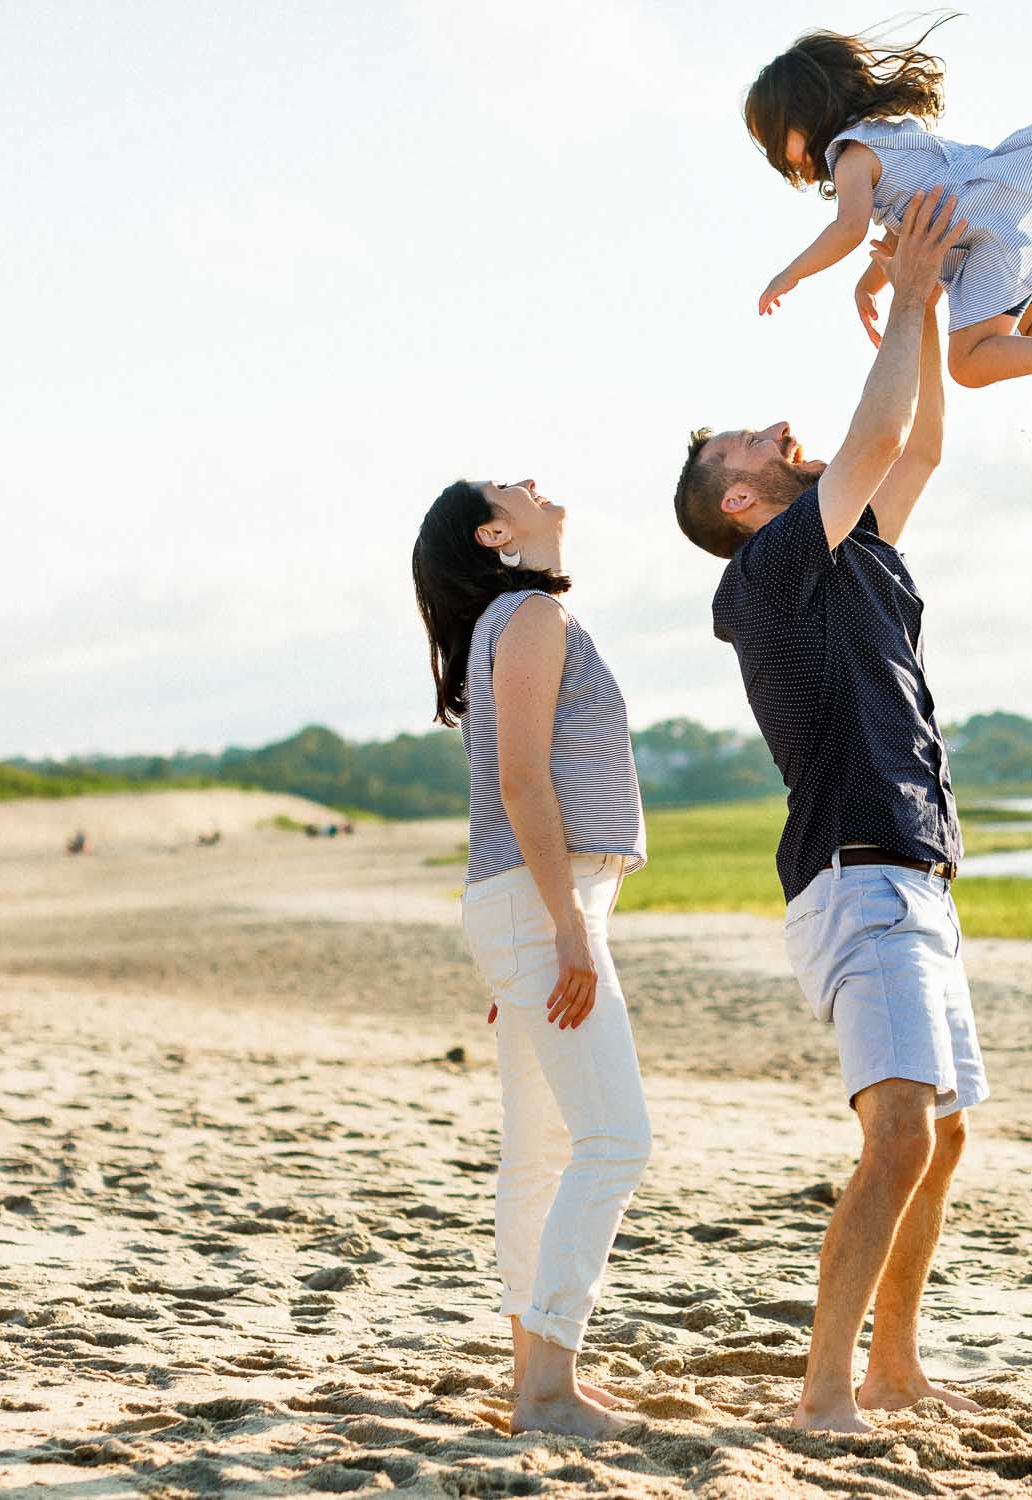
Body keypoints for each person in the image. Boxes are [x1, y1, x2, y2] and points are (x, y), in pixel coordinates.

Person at [669, 188, 986, 1433]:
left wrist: (935, 301)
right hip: (856, 874)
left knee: (940, 1142)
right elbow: (867, 443)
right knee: (900, 1138)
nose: (776, 434)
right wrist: (902, 291)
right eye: (750, 443)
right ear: (741, 504)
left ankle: (895, 1368)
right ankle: (823, 1396)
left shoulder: (849, 548)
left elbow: (915, 451)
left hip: (912, 869)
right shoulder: (764, 570)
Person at [412, 475, 651, 1439]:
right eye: (519, 487)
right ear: (497, 532)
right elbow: (519, 782)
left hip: (528, 905)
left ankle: (536, 1378)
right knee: (614, 1142)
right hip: (541, 903)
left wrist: (537, 931)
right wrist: (561, 928)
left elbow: (516, 780)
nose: (543, 487)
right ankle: (547, 1382)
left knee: (543, 1154)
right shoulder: (532, 616)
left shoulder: (509, 622)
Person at [745, 23, 1032, 407]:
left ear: (803, 113)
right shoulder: (886, 133)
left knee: (969, 363)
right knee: (1026, 327)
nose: (776, 156)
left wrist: (791, 273)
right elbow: (905, 231)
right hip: (1007, 217)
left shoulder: (851, 157)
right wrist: (869, 285)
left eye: (775, 139)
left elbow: (848, 229)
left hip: (985, 237)